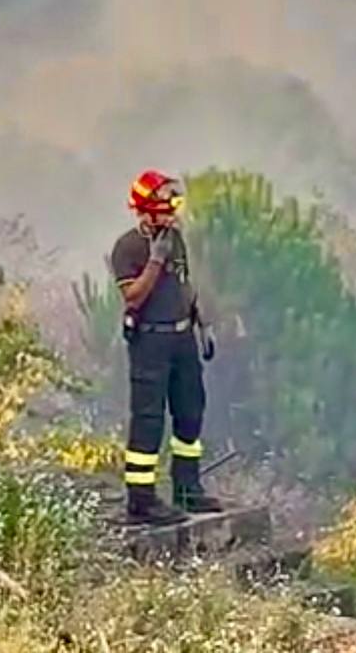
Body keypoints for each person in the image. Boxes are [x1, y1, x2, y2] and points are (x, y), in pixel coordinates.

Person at [112, 168, 223, 525]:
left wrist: (200, 322)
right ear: (145, 211)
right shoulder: (128, 247)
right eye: (164, 207)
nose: (172, 213)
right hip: (150, 341)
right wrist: (155, 260)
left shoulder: (175, 239)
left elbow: (183, 283)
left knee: (190, 410)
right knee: (148, 418)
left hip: (181, 338)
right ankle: (141, 500)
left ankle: (187, 488)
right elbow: (133, 296)